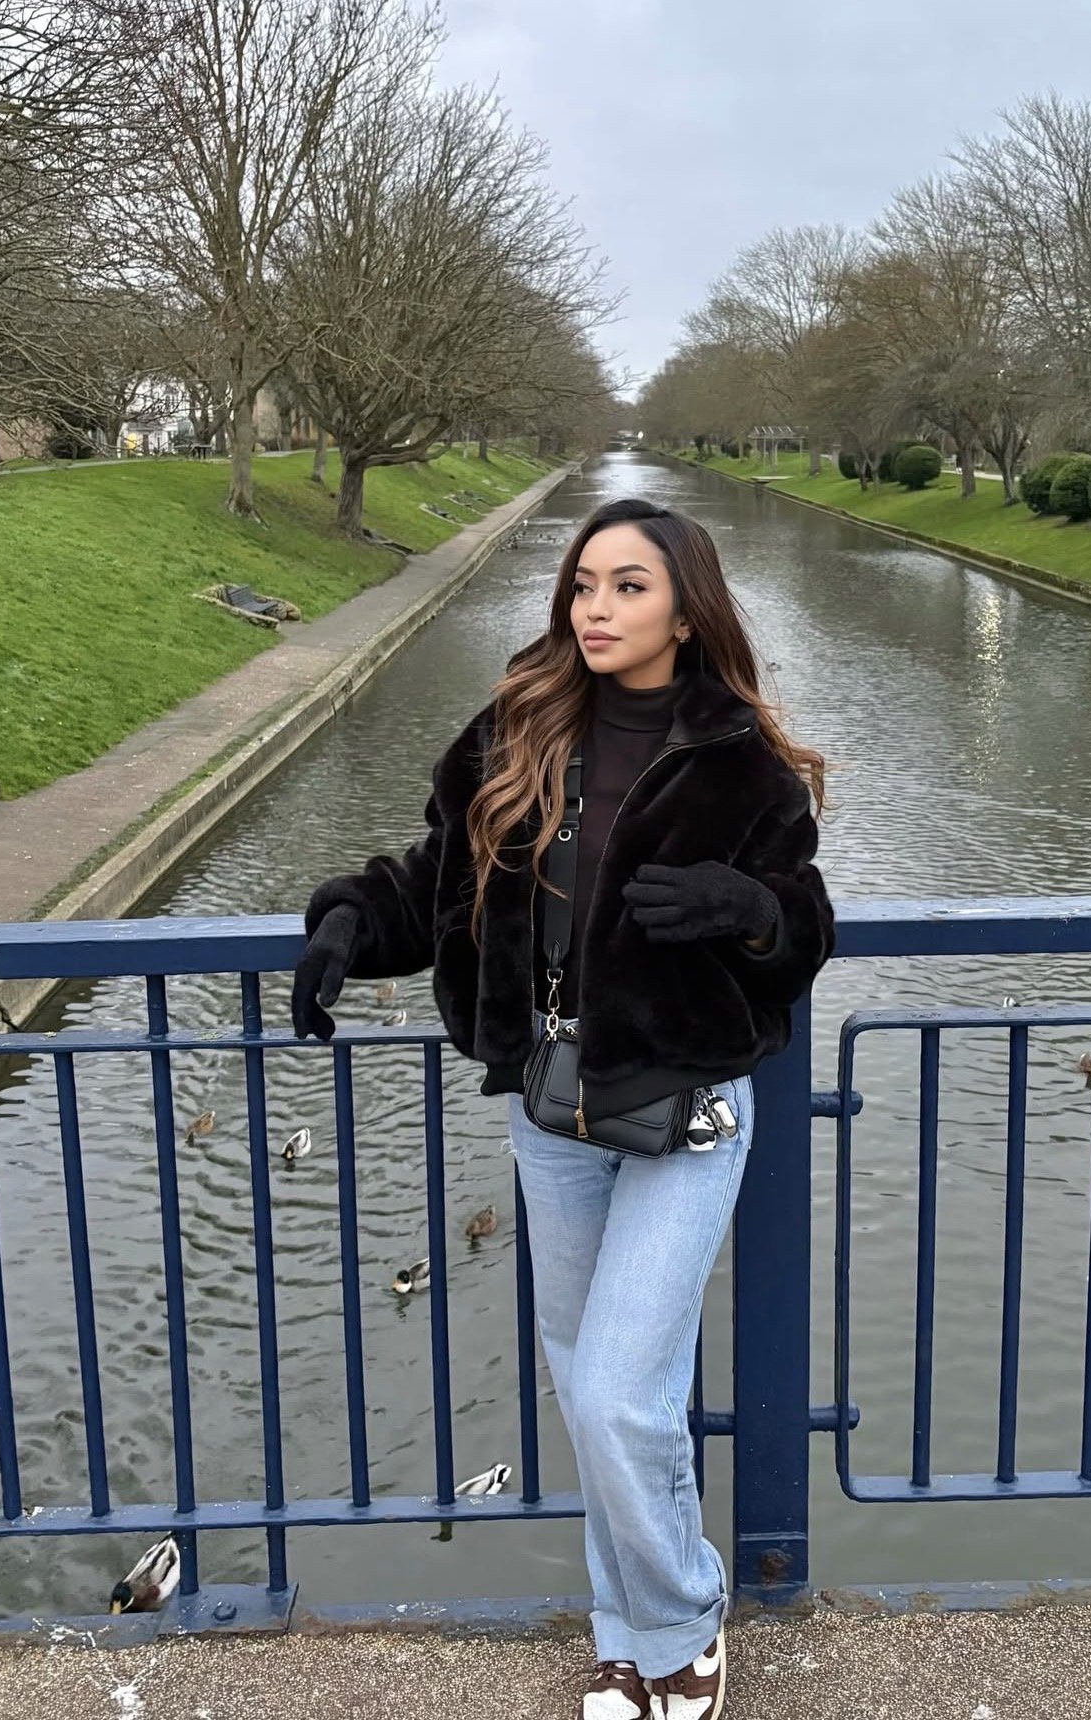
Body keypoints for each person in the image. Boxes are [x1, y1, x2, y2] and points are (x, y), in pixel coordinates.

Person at [291, 496, 835, 1719]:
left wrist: (749, 910)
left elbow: (804, 927)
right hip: (552, 1109)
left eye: (628, 586)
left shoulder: (739, 760)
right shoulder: (518, 727)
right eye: (584, 584)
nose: (596, 607)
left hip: (683, 1109)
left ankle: (685, 1618)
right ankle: (622, 1636)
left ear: (687, 611)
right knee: (590, 1387)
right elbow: (436, 878)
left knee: (616, 1395)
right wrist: (348, 925)